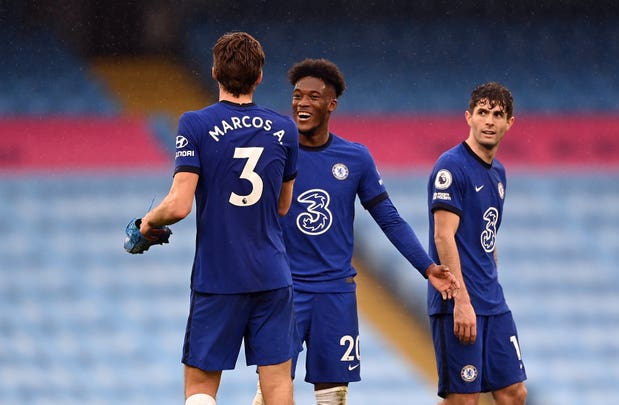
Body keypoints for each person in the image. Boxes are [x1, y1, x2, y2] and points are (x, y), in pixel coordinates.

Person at [252, 58, 459, 405]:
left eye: (313, 97)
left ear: (331, 104)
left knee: (333, 397)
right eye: (297, 95)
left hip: (335, 293)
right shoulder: (273, 152)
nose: (302, 103)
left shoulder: (355, 158)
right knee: (270, 392)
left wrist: (426, 267)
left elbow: (389, 219)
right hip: (283, 290)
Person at [139, 32, 299, 405]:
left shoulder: (195, 124)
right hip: (271, 276)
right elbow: (282, 206)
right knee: (277, 387)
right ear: (259, 77)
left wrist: (148, 221)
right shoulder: (284, 129)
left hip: (218, 276)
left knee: (200, 390)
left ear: (214, 72)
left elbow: (178, 205)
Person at [427, 82, 528, 404]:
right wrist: (462, 302)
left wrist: (490, 277)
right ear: (469, 117)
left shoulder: (498, 173)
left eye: (498, 115)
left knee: (514, 393)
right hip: (458, 301)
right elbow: (443, 235)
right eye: (483, 113)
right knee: (463, 399)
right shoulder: (452, 166)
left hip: (492, 301)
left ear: (509, 123)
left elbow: (487, 235)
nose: (489, 121)